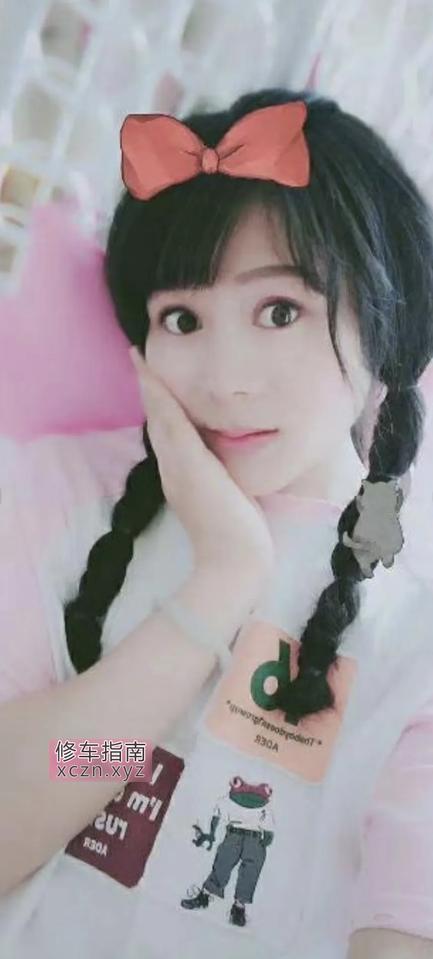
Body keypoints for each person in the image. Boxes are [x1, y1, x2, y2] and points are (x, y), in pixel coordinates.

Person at [1, 87, 433, 959]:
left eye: (279, 311)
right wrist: (219, 583)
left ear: (381, 319)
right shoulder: (57, 494)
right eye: (181, 318)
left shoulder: (411, 625)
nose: (225, 377)